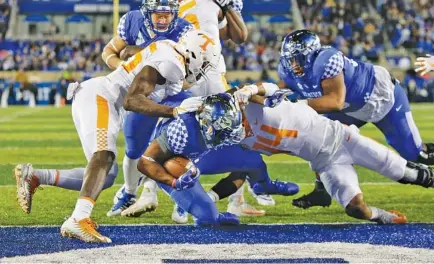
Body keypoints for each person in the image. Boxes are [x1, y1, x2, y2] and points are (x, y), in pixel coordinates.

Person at [13, 29, 220, 243]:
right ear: (194, 55)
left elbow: (134, 54)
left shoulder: (170, 50)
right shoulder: (172, 64)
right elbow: (132, 100)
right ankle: (78, 219)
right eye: (204, 64)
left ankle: (36, 176)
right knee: (105, 154)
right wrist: (174, 112)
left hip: (102, 99)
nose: (203, 70)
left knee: (107, 175)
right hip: (101, 97)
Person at [232, 82, 434, 224]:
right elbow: (240, 166)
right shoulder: (237, 142)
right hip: (324, 162)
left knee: (410, 174)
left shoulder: (250, 103)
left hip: (344, 139)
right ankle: (381, 216)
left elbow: (268, 89)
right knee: (355, 208)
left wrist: (249, 89)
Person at [277, 30, 434, 209]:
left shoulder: (327, 59)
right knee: (322, 140)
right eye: (290, 59)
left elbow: (335, 101)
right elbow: (280, 94)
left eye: (299, 58)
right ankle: (321, 192)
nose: (294, 64)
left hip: (381, 98)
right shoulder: (285, 70)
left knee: (416, 154)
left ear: (312, 54)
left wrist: (297, 104)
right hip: (350, 109)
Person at [136, 93, 298, 225]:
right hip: (175, 156)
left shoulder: (224, 111)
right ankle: (190, 205)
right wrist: (172, 181)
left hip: (202, 147)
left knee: (253, 161)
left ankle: (263, 186)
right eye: (224, 129)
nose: (231, 133)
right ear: (206, 123)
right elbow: (145, 162)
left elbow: (242, 93)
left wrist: (264, 100)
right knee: (207, 217)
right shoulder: (182, 130)